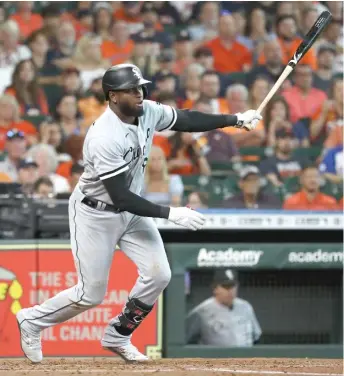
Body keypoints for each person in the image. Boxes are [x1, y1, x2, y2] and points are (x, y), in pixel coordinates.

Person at [16, 63, 262, 363]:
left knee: (159, 274)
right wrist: (170, 213)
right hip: (95, 213)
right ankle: (32, 320)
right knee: (90, 295)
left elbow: (184, 119)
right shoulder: (104, 136)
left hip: (131, 209)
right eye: (131, 90)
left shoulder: (146, 111)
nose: (139, 93)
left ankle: (118, 335)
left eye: (140, 87)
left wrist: (234, 119)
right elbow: (119, 197)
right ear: (113, 96)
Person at [186, 269, 262, 346]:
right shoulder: (202, 311)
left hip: (245, 356)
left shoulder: (246, 307)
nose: (230, 291)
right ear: (215, 289)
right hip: (216, 357)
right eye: (226, 287)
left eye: (233, 286)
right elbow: (183, 338)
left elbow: (256, 336)